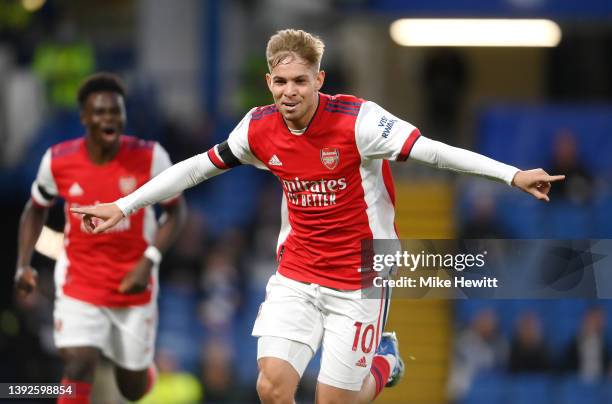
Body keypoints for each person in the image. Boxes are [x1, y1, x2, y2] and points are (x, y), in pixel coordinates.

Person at [71, 30, 564, 404]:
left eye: (300, 81)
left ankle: (383, 362)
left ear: (319, 80)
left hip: (361, 274)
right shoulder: (258, 128)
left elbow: (433, 152)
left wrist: (512, 175)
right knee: (272, 385)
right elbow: (196, 168)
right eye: (280, 81)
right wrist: (122, 206)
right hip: (299, 272)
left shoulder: (360, 122)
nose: (290, 92)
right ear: (269, 82)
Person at [14, 72, 187, 404]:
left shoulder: (151, 157)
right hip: (80, 280)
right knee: (78, 364)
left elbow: (177, 213)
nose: (109, 118)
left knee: (132, 389)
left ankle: (141, 371)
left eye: (115, 111)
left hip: (133, 283)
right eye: (100, 112)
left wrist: (148, 261)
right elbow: (35, 209)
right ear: (84, 117)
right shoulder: (58, 160)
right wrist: (23, 265)